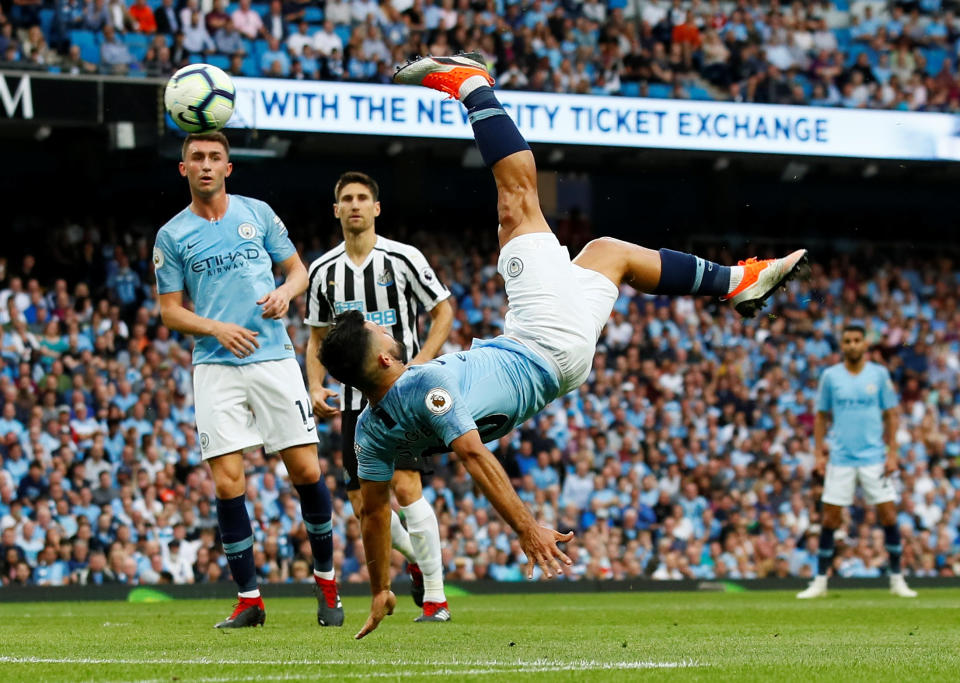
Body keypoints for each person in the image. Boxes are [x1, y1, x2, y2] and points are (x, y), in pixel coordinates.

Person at [319, 52, 809, 638]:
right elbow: (475, 457)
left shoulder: (371, 430)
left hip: (558, 359)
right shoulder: (425, 385)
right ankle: (471, 84)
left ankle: (736, 283)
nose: (389, 329)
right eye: (381, 332)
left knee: (609, 253)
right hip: (542, 338)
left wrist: (378, 587)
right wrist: (526, 528)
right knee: (517, 203)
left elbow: (373, 513)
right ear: (383, 357)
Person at [153, 131, 343, 629]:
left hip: (273, 358)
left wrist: (285, 293)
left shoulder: (257, 213)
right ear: (184, 169)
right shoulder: (172, 235)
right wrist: (215, 327)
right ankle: (250, 600)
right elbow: (169, 311)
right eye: (197, 158)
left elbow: (298, 270)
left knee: (305, 471)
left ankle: (327, 587)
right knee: (226, 481)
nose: (207, 165)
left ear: (229, 168)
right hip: (215, 366)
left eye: (216, 157)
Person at [305, 171, 455, 622]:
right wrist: (313, 384)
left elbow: (443, 311)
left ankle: (436, 599)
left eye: (362, 198)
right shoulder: (322, 272)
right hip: (356, 404)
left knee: (407, 487)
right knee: (362, 505)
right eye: (346, 198)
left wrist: (422, 364)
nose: (354, 205)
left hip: (403, 398)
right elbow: (315, 340)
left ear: (376, 208)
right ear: (336, 210)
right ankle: (415, 559)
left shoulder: (403, 258)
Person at [796, 324, 916, 599]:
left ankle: (897, 579)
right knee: (830, 518)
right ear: (842, 345)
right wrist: (818, 454)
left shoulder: (879, 374)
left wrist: (893, 453)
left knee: (888, 514)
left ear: (865, 345)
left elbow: (891, 415)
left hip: (874, 456)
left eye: (856, 340)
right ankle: (820, 582)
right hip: (840, 458)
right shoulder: (830, 376)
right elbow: (821, 416)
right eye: (847, 340)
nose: (851, 345)